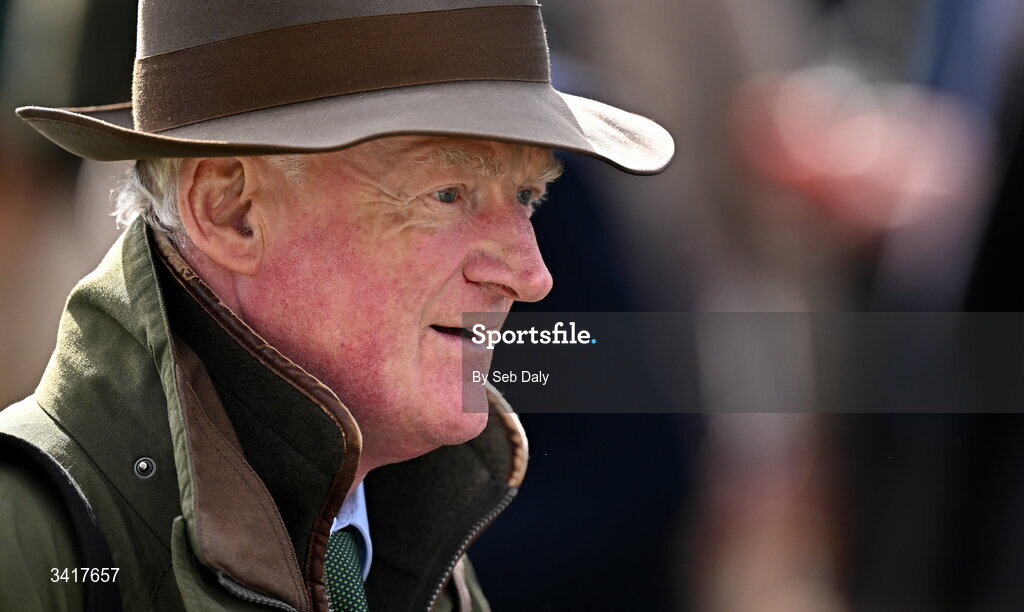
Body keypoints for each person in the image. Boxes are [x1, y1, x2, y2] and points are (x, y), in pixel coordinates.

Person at [0, 1, 673, 611]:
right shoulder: (25, 543)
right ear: (230, 211)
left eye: (527, 197)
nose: (531, 276)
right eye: (447, 194)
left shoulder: (416, 554)